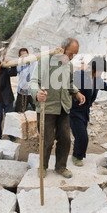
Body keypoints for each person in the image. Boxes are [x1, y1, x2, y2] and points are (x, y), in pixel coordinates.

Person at [29, 38, 86, 179]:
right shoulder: (45, 61)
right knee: (47, 140)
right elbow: (34, 82)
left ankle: (61, 166)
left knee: (66, 139)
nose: (72, 58)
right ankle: (43, 166)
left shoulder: (69, 66)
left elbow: (69, 83)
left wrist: (76, 92)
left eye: (75, 55)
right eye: (70, 54)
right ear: (62, 48)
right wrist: (37, 94)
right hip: (47, 107)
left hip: (64, 107)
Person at [70, 56, 107, 167]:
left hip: (84, 111)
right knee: (82, 136)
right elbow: (68, 87)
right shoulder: (78, 76)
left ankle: (76, 154)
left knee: (80, 134)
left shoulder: (97, 79)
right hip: (74, 111)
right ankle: (76, 157)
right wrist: (76, 94)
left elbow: (106, 86)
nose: (101, 74)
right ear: (93, 69)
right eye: (100, 71)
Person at [15, 48, 36, 112]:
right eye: (22, 56)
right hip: (21, 92)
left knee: (38, 111)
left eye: (26, 56)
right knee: (19, 112)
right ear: (19, 57)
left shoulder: (34, 63)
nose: (25, 58)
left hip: (33, 92)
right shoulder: (18, 65)